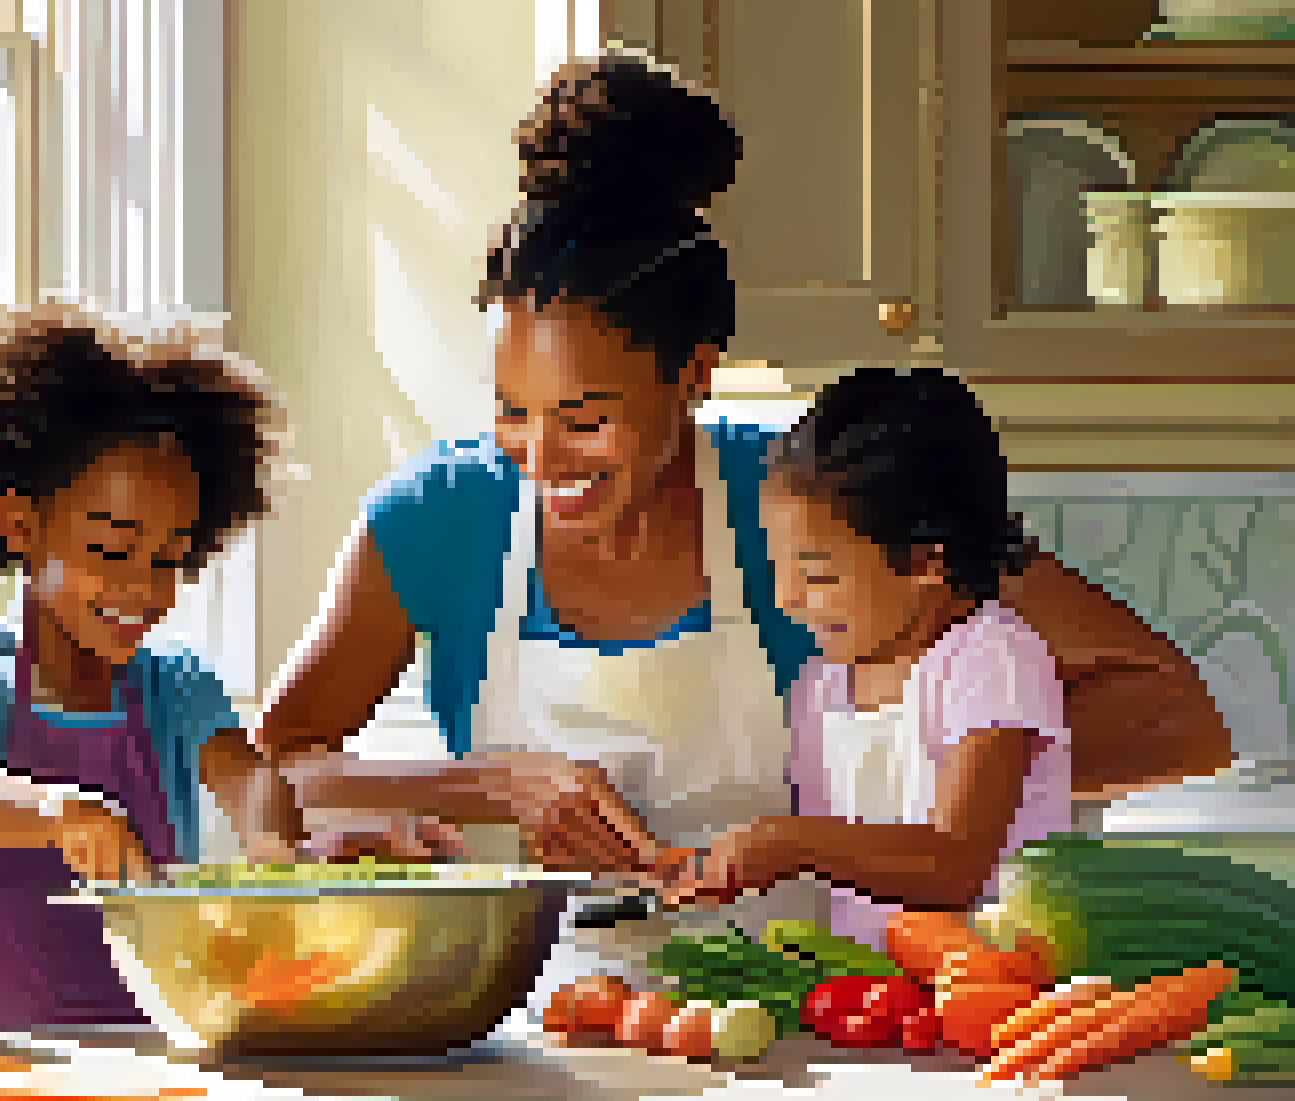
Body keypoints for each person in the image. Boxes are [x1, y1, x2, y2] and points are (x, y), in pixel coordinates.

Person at [248, 52, 1233, 1009]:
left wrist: (944, 783)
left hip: (819, 1019)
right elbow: (278, 763)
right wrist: (487, 787)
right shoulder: (437, 517)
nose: (540, 460)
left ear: (694, 373)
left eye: (586, 420)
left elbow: (1172, 714)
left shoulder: (813, 496)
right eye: (511, 409)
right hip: (533, 1020)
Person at [0, 305, 296, 1034]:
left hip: (153, 1056)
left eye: (170, 559)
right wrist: (52, 811)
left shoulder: (177, 688)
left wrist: (271, 846)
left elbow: (250, 776)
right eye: (109, 551)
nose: (143, 588)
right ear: (20, 526)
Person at [657, 370, 1071, 948]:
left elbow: (955, 867)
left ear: (927, 563)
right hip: (875, 1003)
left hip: (994, 1000)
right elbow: (839, 866)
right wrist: (716, 864)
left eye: (817, 574)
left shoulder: (992, 661)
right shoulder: (820, 686)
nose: (787, 600)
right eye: (779, 569)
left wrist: (790, 843)